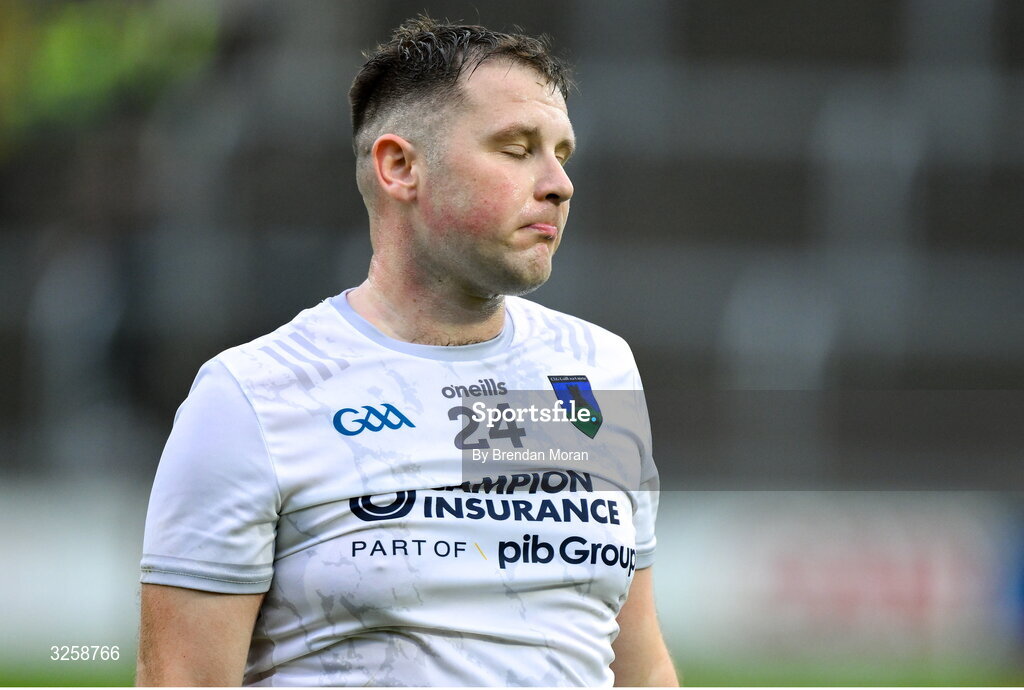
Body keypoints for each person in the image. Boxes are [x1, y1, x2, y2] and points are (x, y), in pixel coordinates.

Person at [137, 16, 677, 687]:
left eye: (561, 154)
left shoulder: (594, 370)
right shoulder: (252, 396)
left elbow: (640, 663)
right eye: (516, 149)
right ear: (400, 167)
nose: (558, 184)